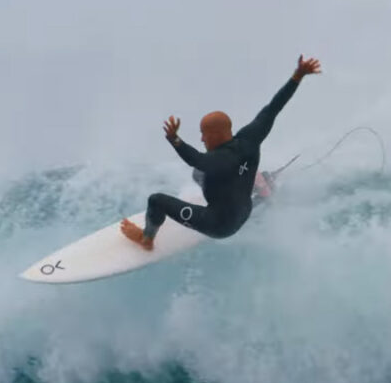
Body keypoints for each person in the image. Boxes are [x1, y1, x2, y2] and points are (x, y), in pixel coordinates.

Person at [121, 55, 321, 250]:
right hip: (244, 211)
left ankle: (146, 240)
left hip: (219, 225)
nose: (202, 139)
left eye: (204, 135)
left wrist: (175, 139)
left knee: (156, 200)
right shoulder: (250, 138)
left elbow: (195, 159)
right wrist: (297, 76)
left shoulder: (218, 160)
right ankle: (261, 189)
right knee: (200, 174)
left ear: (215, 135)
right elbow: (273, 108)